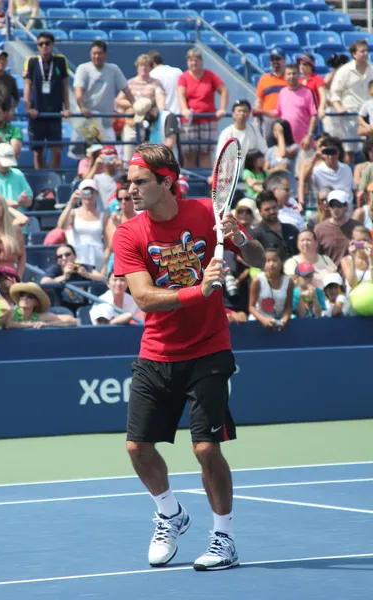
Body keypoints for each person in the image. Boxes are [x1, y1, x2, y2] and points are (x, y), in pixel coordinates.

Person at [112, 143, 265, 571]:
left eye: (140, 182)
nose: (131, 190)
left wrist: (239, 238)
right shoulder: (128, 233)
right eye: (129, 182)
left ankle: (224, 539)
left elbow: (257, 258)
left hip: (209, 350)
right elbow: (143, 297)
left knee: (205, 449)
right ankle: (170, 514)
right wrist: (198, 291)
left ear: (166, 182)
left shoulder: (205, 215)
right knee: (137, 447)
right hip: (156, 352)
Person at [23, 31, 70, 169]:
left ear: (52, 45)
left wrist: (66, 107)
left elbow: (65, 86)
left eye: (47, 43)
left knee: (56, 150)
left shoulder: (61, 60)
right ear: (37, 46)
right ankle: (41, 181)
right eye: (41, 44)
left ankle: (53, 179)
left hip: (55, 112)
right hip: (37, 112)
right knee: (38, 152)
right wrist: (28, 108)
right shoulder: (31, 61)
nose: (44, 46)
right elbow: (27, 85)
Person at [74, 40, 135, 143]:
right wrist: (82, 108)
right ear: (90, 54)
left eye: (99, 53)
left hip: (107, 124)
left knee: (109, 154)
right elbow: (78, 90)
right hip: (87, 122)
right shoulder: (83, 68)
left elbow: (126, 89)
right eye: (94, 53)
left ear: (105, 54)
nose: (97, 56)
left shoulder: (113, 69)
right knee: (90, 154)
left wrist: (135, 106)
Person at [178, 48, 228, 169]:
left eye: (196, 60)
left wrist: (222, 108)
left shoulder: (210, 75)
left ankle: (206, 181)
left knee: (205, 152)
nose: (193, 63)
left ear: (201, 61)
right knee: (189, 153)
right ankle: (190, 181)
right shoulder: (184, 77)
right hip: (190, 120)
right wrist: (184, 109)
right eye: (190, 60)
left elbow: (224, 90)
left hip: (208, 119)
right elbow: (181, 95)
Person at [254, 63, 317, 151]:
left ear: (299, 75)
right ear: (285, 76)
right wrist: (261, 112)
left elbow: (314, 116)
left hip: (303, 142)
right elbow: (276, 113)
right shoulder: (283, 92)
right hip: (286, 143)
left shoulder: (308, 92)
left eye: (294, 73)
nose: (291, 76)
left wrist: (309, 136)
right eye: (289, 74)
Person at [116, 54, 165, 164]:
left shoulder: (156, 83)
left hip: (149, 123)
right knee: (129, 150)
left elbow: (161, 103)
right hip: (131, 123)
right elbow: (118, 100)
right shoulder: (130, 83)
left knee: (147, 155)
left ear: (151, 67)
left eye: (146, 66)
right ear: (137, 67)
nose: (143, 68)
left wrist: (150, 109)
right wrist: (135, 105)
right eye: (141, 65)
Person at [330, 39, 373, 164]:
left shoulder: (372, 68)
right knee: (350, 150)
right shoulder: (344, 71)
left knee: (370, 148)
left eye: (366, 50)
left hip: (370, 114)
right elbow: (335, 92)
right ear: (353, 54)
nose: (365, 53)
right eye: (362, 51)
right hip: (350, 114)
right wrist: (338, 107)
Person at [212, 100, 267, 184]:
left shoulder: (254, 130)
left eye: (245, 111)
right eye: (239, 111)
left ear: (249, 114)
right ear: (233, 114)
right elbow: (219, 157)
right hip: (229, 180)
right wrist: (214, 177)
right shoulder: (226, 133)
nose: (242, 113)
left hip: (249, 178)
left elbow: (264, 151)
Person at [40, 243, 105, 315]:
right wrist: (63, 277)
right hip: (62, 310)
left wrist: (87, 274)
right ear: (58, 261)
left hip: (82, 309)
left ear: (75, 256)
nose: (64, 258)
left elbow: (102, 278)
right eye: (60, 256)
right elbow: (44, 282)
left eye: (67, 254)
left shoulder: (82, 267)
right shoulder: (55, 269)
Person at [57, 180, 107, 272]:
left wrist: (105, 265)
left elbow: (107, 244)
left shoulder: (103, 217)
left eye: (91, 191)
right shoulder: (73, 213)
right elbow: (61, 226)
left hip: (97, 257)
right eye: (85, 191)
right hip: (78, 257)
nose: (89, 195)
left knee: (95, 282)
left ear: (96, 193)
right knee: (79, 280)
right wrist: (71, 203)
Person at [249, 247, 293, 329]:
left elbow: (288, 307)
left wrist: (285, 319)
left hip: (280, 322)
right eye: (268, 261)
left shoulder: (289, 281)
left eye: (275, 260)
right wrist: (263, 319)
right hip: (258, 322)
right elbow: (251, 307)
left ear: (282, 262)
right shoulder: (257, 281)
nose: (271, 264)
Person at [315, 189, 360, 267]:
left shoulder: (357, 227)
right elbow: (316, 256)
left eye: (339, 205)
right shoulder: (320, 229)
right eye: (332, 205)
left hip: (354, 274)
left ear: (346, 207)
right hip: (329, 276)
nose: (335, 209)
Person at [306, 136, 355, 205]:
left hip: (346, 209)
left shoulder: (346, 168)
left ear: (339, 152)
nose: (331, 156)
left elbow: (354, 189)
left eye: (333, 151)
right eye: (328, 152)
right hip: (327, 209)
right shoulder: (317, 170)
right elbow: (306, 180)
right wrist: (314, 159)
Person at [6, 282, 77, 329]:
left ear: (37, 302)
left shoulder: (40, 317)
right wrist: (32, 324)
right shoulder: (11, 311)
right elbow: (8, 324)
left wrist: (47, 324)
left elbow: (72, 320)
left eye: (30, 296)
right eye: (22, 294)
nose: (25, 298)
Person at [253, 191, 299, 260]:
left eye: (274, 207)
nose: (272, 211)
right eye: (267, 209)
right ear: (260, 211)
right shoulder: (256, 234)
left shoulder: (291, 229)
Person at [254, 47, 288, 139]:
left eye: (278, 59)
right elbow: (259, 101)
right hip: (268, 119)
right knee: (268, 147)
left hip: (285, 118)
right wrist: (256, 120)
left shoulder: (290, 78)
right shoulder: (264, 79)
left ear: (284, 60)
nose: (275, 62)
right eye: (272, 59)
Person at [104, 185, 136, 277]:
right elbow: (111, 246)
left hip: (135, 260)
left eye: (127, 198)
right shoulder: (112, 220)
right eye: (120, 199)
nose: (123, 202)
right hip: (116, 261)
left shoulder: (140, 218)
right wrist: (105, 266)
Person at [264, 119, 298, 195]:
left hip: (290, 191)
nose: (277, 133)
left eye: (279, 130)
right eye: (275, 130)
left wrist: (281, 135)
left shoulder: (294, 147)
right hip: (274, 191)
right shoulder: (270, 151)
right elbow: (265, 171)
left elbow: (283, 154)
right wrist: (277, 168)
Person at [148, 50, 183, 116]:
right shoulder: (178, 71)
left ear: (153, 63)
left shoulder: (151, 75)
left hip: (162, 118)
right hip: (179, 115)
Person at [340, 225, 373, 292]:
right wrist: (353, 257)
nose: (363, 243)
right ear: (353, 242)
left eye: (365, 240)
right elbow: (352, 283)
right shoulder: (346, 260)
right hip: (355, 300)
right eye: (359, 241)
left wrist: (370, 258)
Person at [297, 53, 327, 120]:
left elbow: (323, 95)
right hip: (302, 114)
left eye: (304, 64)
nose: (301, 66)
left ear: (311, 66)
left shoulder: (317, 78)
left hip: (314, 114)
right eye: (299, 64)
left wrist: (321, 108)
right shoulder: (299, 80)